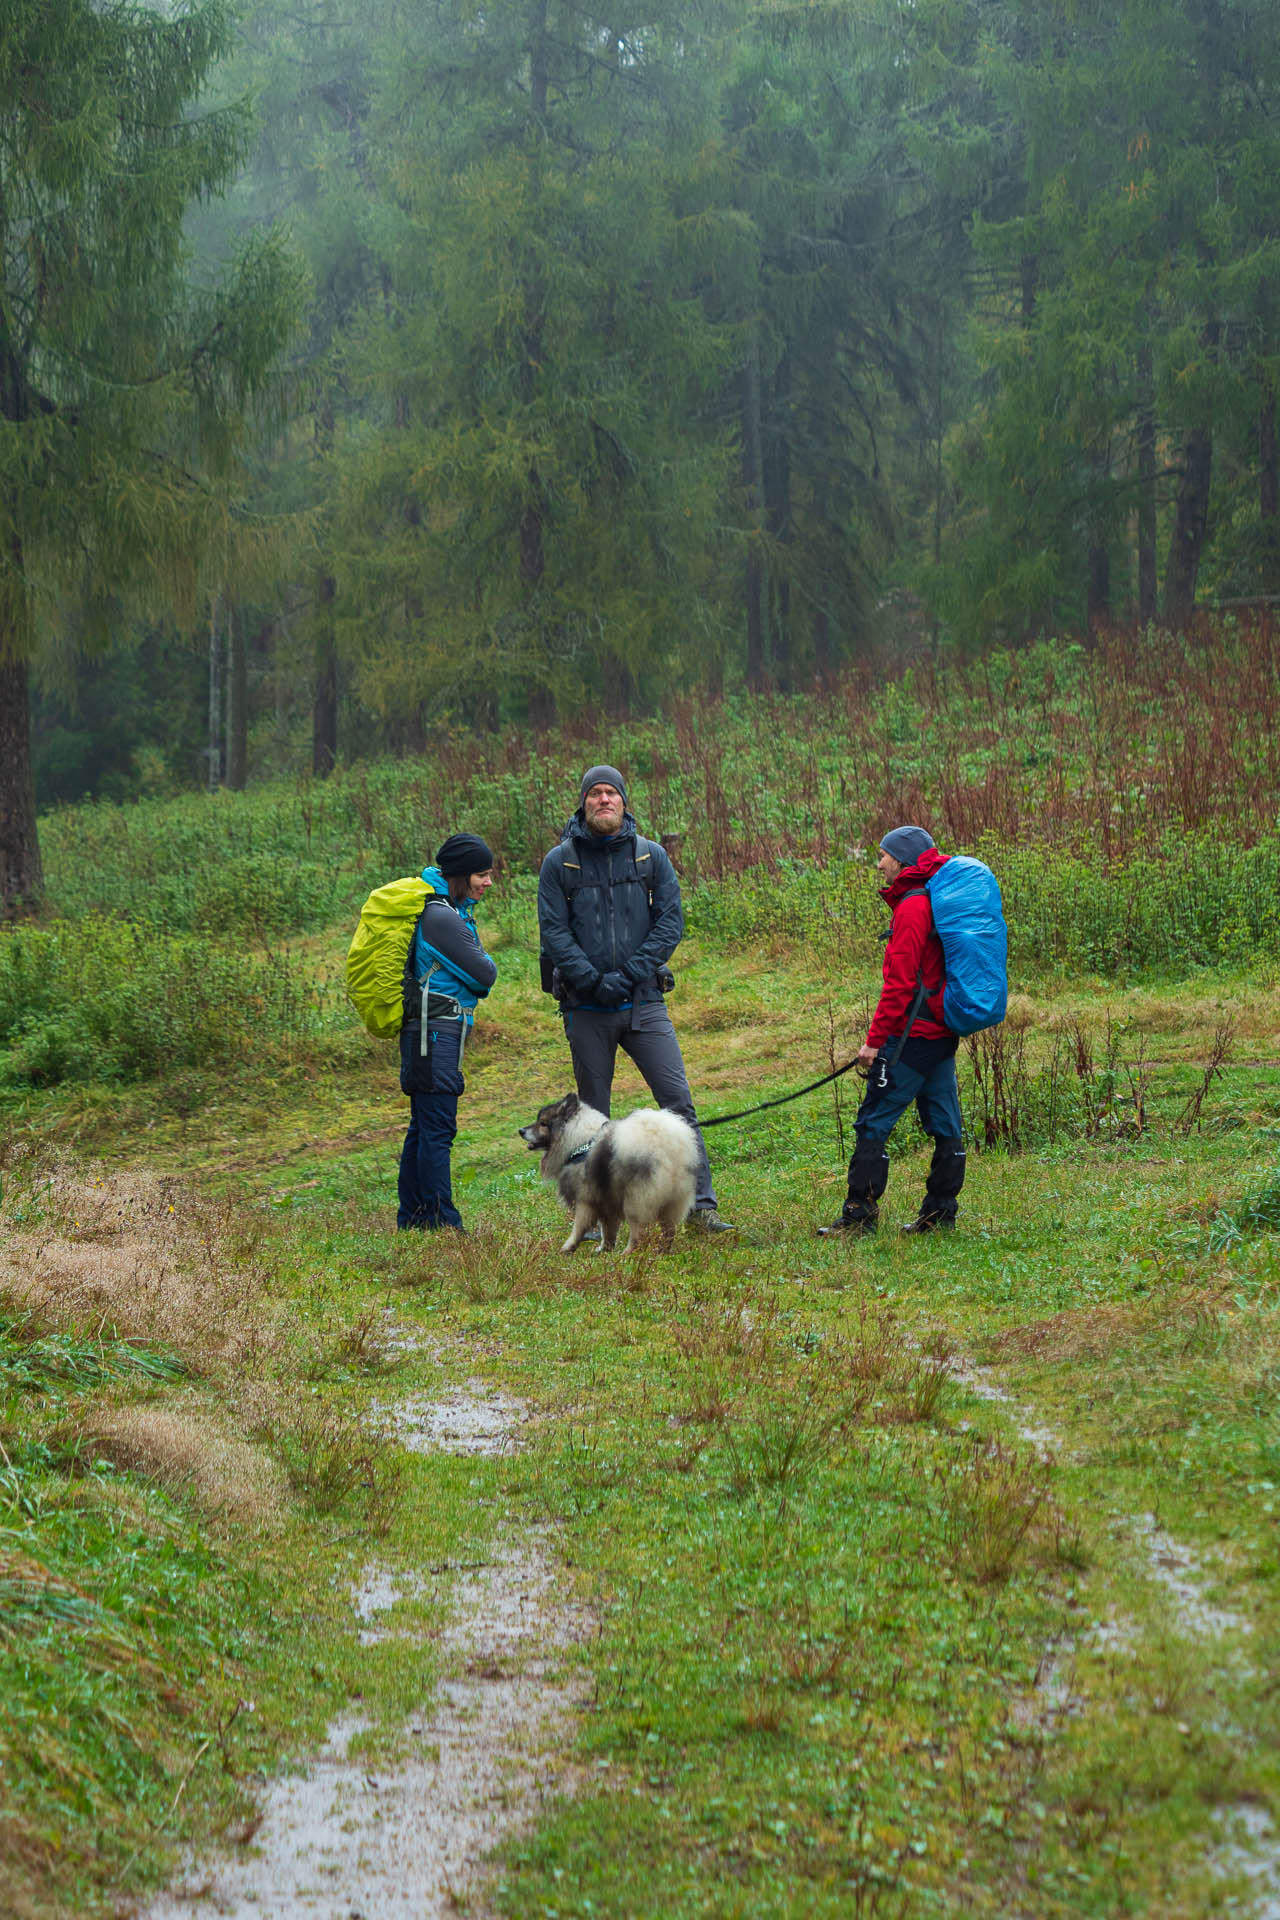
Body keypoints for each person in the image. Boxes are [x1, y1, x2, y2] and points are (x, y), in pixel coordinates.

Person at [537, 764, 734, 1233]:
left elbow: (670, 924)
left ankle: (701, 1208)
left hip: (643, 1003)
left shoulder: (651, 858)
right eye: (595, 794)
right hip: (586, 1008)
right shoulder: (558, 863)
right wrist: (591, 979)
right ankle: (597, 1218)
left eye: (611, 793)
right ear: (583, 803)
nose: (603, 800)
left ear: (624, 802)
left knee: (678, 1105)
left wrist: (627, 975)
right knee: (591, 1120)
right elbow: (553, 932)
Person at [819, 825, 966, 1237]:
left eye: (883, 855)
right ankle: (939, 1217)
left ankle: (858, 1217)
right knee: (946, 1126)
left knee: (873, 1123)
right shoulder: (930, 900)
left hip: (910, 1038)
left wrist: (873, 1042)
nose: (879, 862)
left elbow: (900, 984)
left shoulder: (913, 908)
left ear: (901, 860)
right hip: (940, 1035)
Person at [397, 833, 497, 1232]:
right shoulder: (441, 917)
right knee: (437, 1128)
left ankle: (414, 1217)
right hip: (433, 1034)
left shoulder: (446, 909)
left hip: (433, 1031)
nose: (488, 882)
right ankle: (442, 1221)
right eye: (481, 874)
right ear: (459, 875)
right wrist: (484, 963)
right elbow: (484, 974)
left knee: (424, 1126)